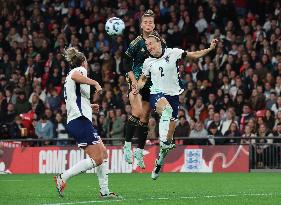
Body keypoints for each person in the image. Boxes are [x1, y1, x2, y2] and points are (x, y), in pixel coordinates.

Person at [138, 31, 218, 179]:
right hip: (156, 94)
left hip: (174, 96)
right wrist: (138, 87)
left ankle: (159, 162)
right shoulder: (147, 62)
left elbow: (193, 55)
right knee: (166, 110)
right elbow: (143, 79)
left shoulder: (173, 53)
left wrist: (209, 49)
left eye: (150, 43)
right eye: (146, 45)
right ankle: (162, 140)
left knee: (168, 141)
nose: (148, 47)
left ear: (159, 42)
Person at [54, 47, 117, 198]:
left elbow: (73, 98)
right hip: (79, 121)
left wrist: (89, 106)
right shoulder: (79, 70)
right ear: (83, 62)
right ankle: (63, 177)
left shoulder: (71, 76)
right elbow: (77, 75)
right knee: (97, 158)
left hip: (79, 120)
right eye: (86, 62)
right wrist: (95, 82)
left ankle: (105, 191)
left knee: (103, 153)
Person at [123, 10, 158, 169]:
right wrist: (133, 81)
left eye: (151, 22)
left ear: (154, 25)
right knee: (136, 113)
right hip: (137, 80)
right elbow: (125, 63)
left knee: (145, 118)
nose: (148, 25)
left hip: (151, 83)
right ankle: (127, 146)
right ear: (141, 25)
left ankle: (139, 150)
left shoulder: (158, 41)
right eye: (146, 22)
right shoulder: (136, 42)